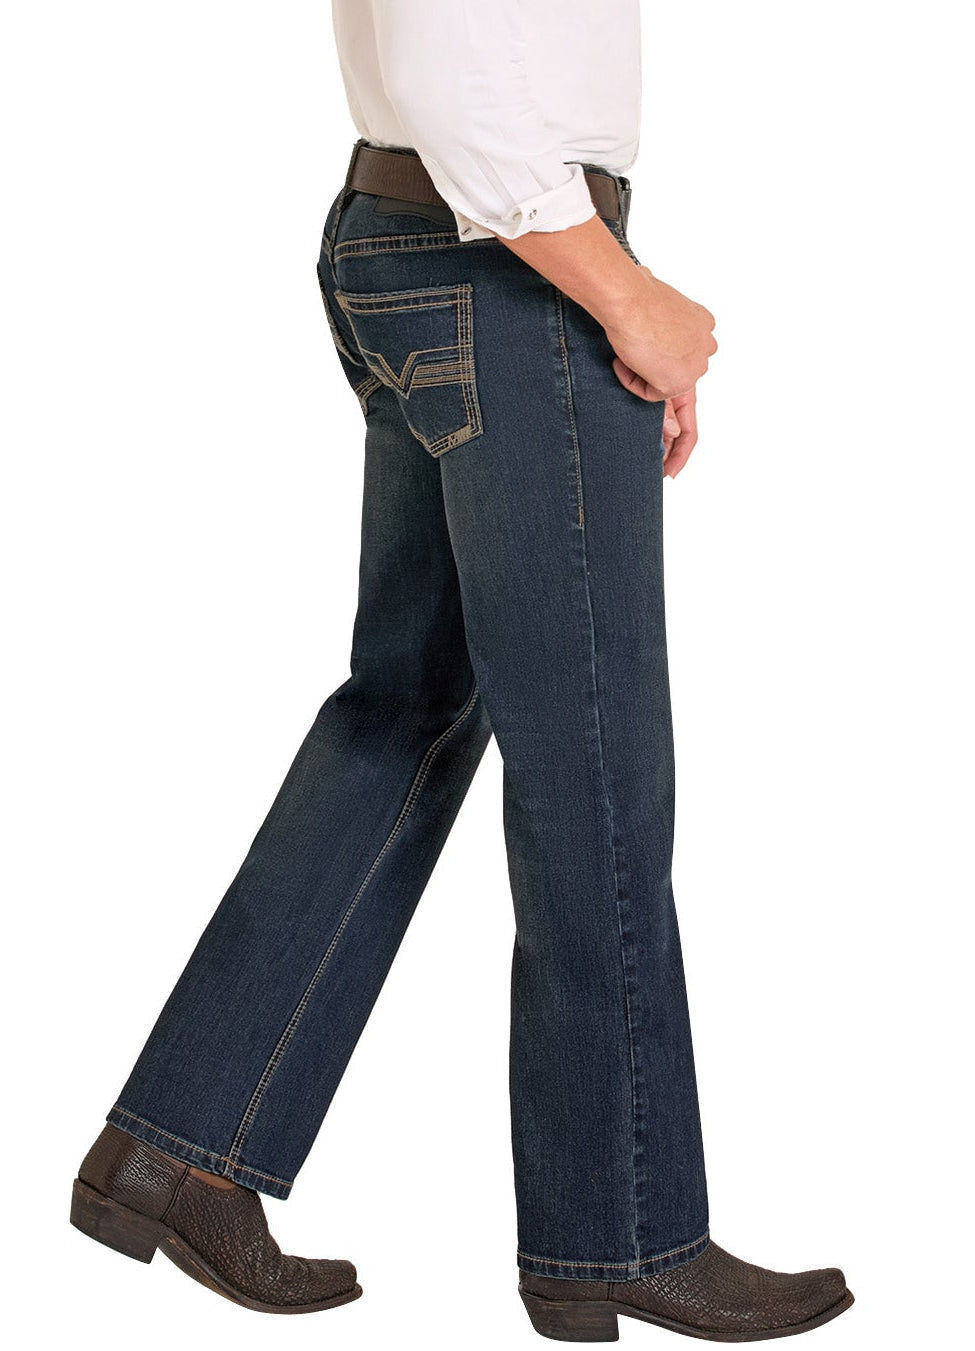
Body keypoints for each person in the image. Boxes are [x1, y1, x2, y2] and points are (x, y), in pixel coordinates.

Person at [71, 1, 854, 1340]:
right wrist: (622, 290)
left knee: (408, 708)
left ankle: (182, 1150)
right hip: (513, 264)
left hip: (435, 243)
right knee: (593, 756)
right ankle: (616, 1234)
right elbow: (455, 63)